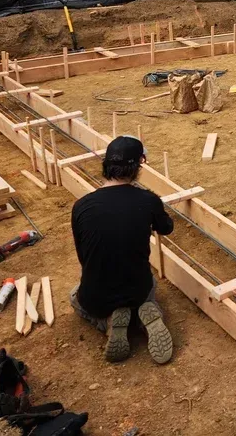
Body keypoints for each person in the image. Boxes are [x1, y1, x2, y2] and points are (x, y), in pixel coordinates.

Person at [70, 135, 174, 363]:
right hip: (137, 287)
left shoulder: (81, 206)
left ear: (106, 164)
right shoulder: (148, 200)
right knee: (150, 282)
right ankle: (144, 313)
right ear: (138, 165)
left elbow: (82, 256)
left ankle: (109, 320)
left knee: (75, 297)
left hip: (97, 293)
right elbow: (167, 229)